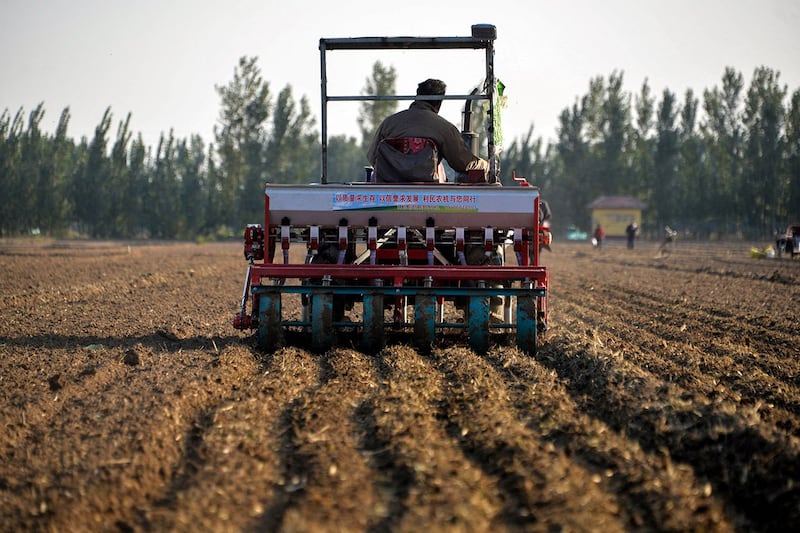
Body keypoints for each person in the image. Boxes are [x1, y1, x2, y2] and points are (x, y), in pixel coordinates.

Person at [366, 79, 489, 183]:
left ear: (417, 97)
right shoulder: (443, 128)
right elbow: (462, 162)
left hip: (384, 194)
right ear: (439, 104)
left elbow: (372, 157)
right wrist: (484, 164)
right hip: (427, 197)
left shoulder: (389, 123)